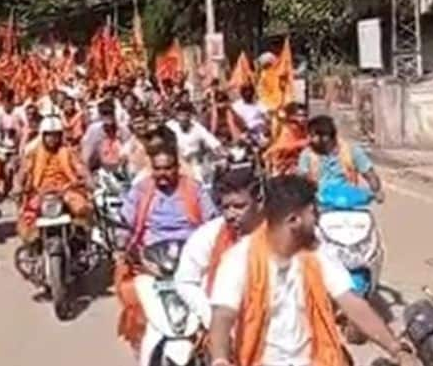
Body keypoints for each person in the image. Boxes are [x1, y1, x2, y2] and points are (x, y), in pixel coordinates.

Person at [208, 175, 415, 366]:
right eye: (313, 212)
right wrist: (220, 359)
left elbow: (351, 302)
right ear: (294, 221)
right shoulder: (239, 258)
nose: (317, 219)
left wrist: (396, 349)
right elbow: (222, 315)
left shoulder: (318, 252)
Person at [115, 142, 217, 351]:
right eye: (158, 168)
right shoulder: (141, 190)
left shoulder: (194, 189)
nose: (163, 173)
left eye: (168, 168)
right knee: (129, 291)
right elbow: (125, 221)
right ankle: (142, 343)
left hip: (191, 255)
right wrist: (120, 244)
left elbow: (212, 219)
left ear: (177, 168)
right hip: (151, 259)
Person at [174, 167, 264, 303]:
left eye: (239, 206)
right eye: (226, 207)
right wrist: (210, 316)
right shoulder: (209, 234)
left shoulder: (279, 236)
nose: (230, 215)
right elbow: (185, 281)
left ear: (259, 202)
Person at [13, 116, 93, 242]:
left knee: (82, 208)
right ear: (42, 136)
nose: (52, 139)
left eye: (55, 135)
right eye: (49, 135)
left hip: (66, 190)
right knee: (27, 218)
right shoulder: (33, 153)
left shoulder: (69, 152)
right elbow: (23, 171)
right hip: (40, 192)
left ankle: (80, 240)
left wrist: (89, 180)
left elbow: (80, 168)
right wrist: (17, 186)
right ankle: (34, 247)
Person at [297, 115, 384, 202]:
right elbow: (301, 180)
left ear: (326, 136)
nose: (310, 140)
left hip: (350, 202)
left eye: (313, 136)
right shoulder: (307, 155)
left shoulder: (351, 150)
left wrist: (376, 191)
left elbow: (369, 173)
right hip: (320, 205)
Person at [166, 101, 224, 182]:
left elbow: (212, 141)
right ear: (176, 116)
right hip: (179, 164)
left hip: (197, 162)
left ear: (189, 116)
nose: (183, 118)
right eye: (180, 115)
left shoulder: (197, 127)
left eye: (186, 115)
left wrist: (222, 153)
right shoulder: (170, 127)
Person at [263, 102, 310, 176]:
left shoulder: (304, 129)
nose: (304, 118)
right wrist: (302, 143)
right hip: (283, 167)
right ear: (291, 117)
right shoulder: (287, 130)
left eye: (305, 115)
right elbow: (281, 147)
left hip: (297, 164)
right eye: (300, 116)